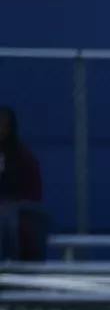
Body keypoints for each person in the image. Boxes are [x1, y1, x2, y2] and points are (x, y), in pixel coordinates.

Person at [0, 106, 46, 262]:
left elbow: (30, 192)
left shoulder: (23, 156)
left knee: (7, 216)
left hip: (21, 207)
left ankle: (12, 265)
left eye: (3, 125)